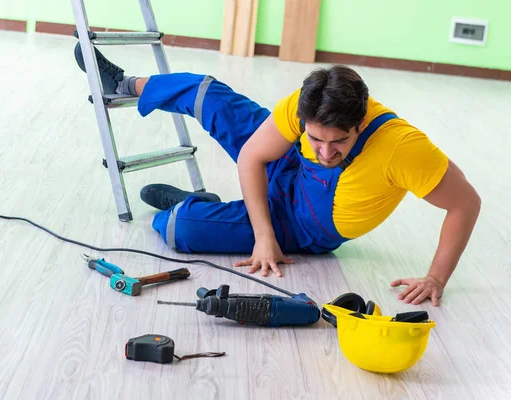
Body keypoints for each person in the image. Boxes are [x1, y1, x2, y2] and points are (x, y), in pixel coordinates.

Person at [74, 44, 481, 306]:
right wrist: (261, 237)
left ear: (360, 122)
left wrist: (435, 278)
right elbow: (252, 157)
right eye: (315, 138)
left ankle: (191, 205)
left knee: (180, 229)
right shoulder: (302, 106)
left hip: (302, 229)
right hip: (282, 166)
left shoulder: (401, 147)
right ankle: (130, 83)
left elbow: (465, 203)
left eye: (337, 143)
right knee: (209, 97)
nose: (324, 153)